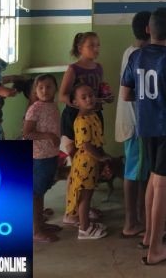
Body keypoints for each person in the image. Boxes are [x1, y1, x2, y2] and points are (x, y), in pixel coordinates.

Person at [121, 7, 166, 265]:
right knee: (162, 184)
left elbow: (126, 94)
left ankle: (150, 235)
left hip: (145, 126)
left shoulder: (135, 56)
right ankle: (157, 249)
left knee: (152, 179)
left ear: (148, 29)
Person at [59, 31, 111, 224]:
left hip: (94, 119)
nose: (96, 49)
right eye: (91, 45)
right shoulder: (74, 69)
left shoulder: (98, 68)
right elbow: (63, 95)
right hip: (75, 119)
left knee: (91, 164)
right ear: (80, 48)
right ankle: (71, 211)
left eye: (98, 45)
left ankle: (84, 208)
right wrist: (81, 104)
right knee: (77, 166)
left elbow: (98, 92)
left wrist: (104, 98)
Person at [116, 11, 152, 239]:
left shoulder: (132, 51)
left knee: (141, 172)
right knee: (133, 173)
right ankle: (130, 223)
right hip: (136, 124)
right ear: (149, 29)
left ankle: (143, 215)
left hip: (138, 123)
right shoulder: (139, 55)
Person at [65, 83, 111, 240]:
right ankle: (84, 229)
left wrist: (101, 155)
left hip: (91, 163)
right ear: (75, 102)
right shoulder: (81, 120)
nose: (89, 99)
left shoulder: (92, 115)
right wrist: (100, 157)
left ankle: (86, 224)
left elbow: (96, 140)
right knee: (84, 197)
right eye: (83, 97)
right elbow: (86, 145)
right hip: (85, 163)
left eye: (91, 95)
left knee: (88, 195)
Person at [22, 74, 62, 243]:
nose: (45, 90)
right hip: (38, 156)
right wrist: (48, 135)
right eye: (41, 88)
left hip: (51, 154)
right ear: (35, 91)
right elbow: (27, 133)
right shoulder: (35, 108)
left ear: (55, 89)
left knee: (41, 191)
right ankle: (35, 230)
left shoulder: (53, 106)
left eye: (49, 87)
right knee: (35, 194)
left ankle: (40, 224)